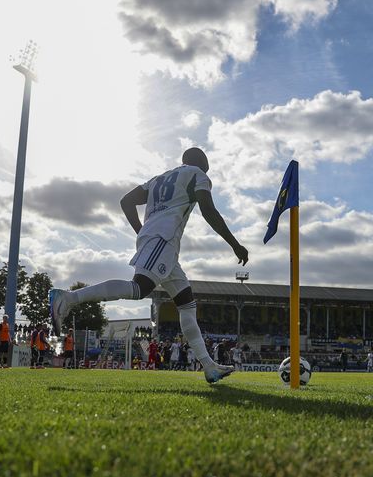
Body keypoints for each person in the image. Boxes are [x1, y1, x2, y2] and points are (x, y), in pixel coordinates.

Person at [49, 147, 248, 383]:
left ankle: (209, 367)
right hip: (163, 240)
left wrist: (140, 231)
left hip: (161, 244)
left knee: (186, 305)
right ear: (201, 163)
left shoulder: (158, 179)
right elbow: (208, 209)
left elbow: (126, 201)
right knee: (139, 289)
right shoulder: (198, 174)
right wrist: (234, 244)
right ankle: (68, 298)